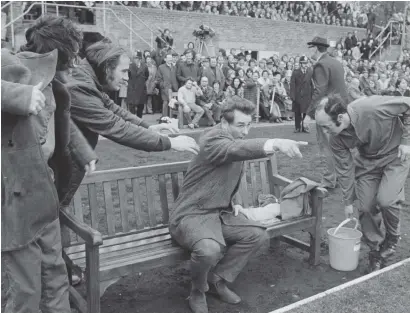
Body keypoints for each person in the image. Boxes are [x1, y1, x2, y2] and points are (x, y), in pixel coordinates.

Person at [169, 96, 308, 313]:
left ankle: (217, 279)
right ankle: (197, 290)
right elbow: (235, 150)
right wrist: (277, 143)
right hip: (191, 215)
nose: (245, 131)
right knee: (209, 250)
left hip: (219, 213)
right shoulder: (212, 140)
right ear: (224, 123)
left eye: (249, 124)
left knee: (257, 234)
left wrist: (231, 201)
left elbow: (222, 172)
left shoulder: (230, 139)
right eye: (240, 125)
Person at [1, 16, 97, 313]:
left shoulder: (53, 79)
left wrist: (84, 152)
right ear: (61, 50)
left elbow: (61, 122)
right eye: (75, 50)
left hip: (46, 189)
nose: (77, 58)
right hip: (15, 199)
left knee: (56, 274)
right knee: (25, 288)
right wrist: (18, 94)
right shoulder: (8, 61)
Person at [63, 41, 199, 205]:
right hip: (55, 172)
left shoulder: (87, 79)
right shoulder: (79, 85)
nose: (127, 78)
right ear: (107, 67)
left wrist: (149, 127)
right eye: (124, 71)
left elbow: (113, 109)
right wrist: (169, 142)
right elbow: (115, 126)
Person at [315, 94, 410, 272]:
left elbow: (408, 105)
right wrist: (348, 201)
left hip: (396, 156)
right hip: (368, 162)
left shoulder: (372, 107)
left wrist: (406, 141)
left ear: (340, 117)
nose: (326, 133)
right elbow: (344, 168)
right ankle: (376, 250)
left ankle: (392, 239)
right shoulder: (336, 139)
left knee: (387, 200)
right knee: (365, 207)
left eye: (327, 127)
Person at [306, 36, 348, 190]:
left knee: (326, 147)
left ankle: (329, 180)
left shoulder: (321, 64)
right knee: (339, 147)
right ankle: (340, 177)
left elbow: (319, 91)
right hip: (340, 109)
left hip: (328, 111)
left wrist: (309, 114)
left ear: (316, 48)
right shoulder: (336, 62)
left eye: (310, 47)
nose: (309, 50)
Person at [290, 56, 313, 133]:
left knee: (306, 112)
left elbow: (312, 84)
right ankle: (297, 127)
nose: (305, 65)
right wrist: (292, 96)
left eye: (306, 63)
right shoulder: (295, 72)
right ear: (300, 64)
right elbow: (292, 85)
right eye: (303, 63)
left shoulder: (310, 71)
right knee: (297, 112)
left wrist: (312, 95)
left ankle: (305, 127)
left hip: (307, 95)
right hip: (298, 95)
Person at [127, 50, 149, 118]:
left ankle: (139, 122)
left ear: (140, 59)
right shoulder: (129, 66)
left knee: (140, 108)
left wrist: (140, 82)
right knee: (132, 109)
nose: (135, 59)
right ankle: (133, 123)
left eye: (137, 58)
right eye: (134, 58)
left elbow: (146, 76)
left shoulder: (144, 66)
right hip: (132, 90)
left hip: (141, 90)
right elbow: (128, 76)